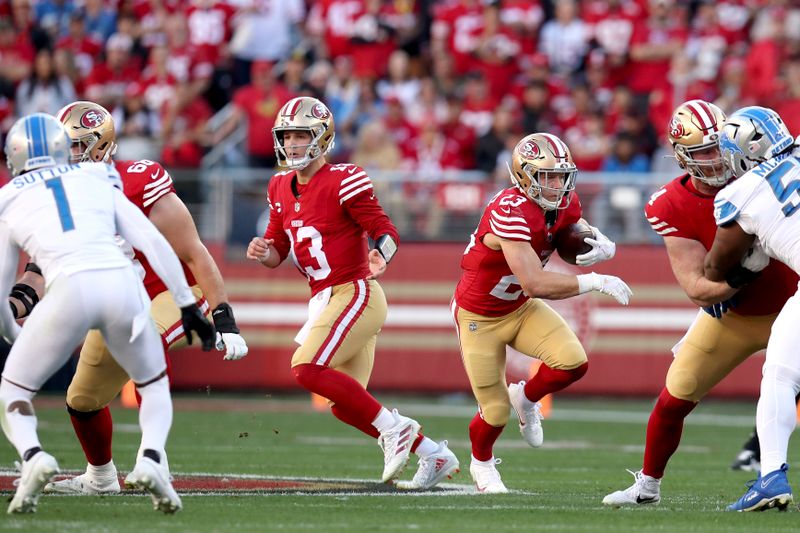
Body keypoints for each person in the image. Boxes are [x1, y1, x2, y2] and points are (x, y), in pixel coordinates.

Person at [0, 113, 215, 514]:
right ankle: (147, 460)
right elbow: (150, 241)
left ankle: (33, 456)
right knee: (145, 386)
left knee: (13, 390)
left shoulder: (10, 195)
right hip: (122, 287)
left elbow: (7, 279)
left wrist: (11, 329)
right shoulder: (99, 180)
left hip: (70, 291)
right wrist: (189, 304)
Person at [246, 96, 459, 489]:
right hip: (326, 298)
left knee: (306, 368)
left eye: (301, 135)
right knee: (345, 406)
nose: (292, 144)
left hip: (355, 291)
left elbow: (386, 231)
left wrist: (381, 254)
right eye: (287, 136)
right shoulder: (278, 185)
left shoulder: (344, 179)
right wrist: (263, 251)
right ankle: (434, 453)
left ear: (322, 137)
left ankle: (394, 429)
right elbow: (277, 250)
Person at [39, 101, 248, 496]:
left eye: (75, 145)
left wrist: (224, 317)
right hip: (116, 302)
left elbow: (193, 252)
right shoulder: (59, 193)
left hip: (173, 292)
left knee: (143, 337)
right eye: (61, 145)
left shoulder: (139, 181)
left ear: (101, 148)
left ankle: (154, 459)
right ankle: (99, 477)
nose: (66, 154)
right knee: (82, 399)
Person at [603, 100, 798, 508]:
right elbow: (697, 286)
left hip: (791, 302)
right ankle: (648, 485)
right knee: (676, 394)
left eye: (718, 145)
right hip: (734, 314)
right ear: (679, 156)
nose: (717, 159)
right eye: (703, 152)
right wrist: (744, 272)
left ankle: (769, 475)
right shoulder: (668, 204)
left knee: (780, 380)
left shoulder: (753, 179)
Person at [452, 132, 632, 493]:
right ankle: (481, 464)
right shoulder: (509, 210)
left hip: (519, 308)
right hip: (480, 316)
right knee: (495, 410)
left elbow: (569, 236)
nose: (556, 185)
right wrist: (593, 279)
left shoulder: (564, 203)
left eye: (561, 176)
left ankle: (527, 398)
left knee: (572, 361)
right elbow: (534, 281)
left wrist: (597, 241)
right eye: (547, 176)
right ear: (523, 175)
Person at [704, 106, 800, 512]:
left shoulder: (743, 191)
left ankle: (771, 476)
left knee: (779, 375)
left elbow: (715, 266)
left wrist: (752, 256)